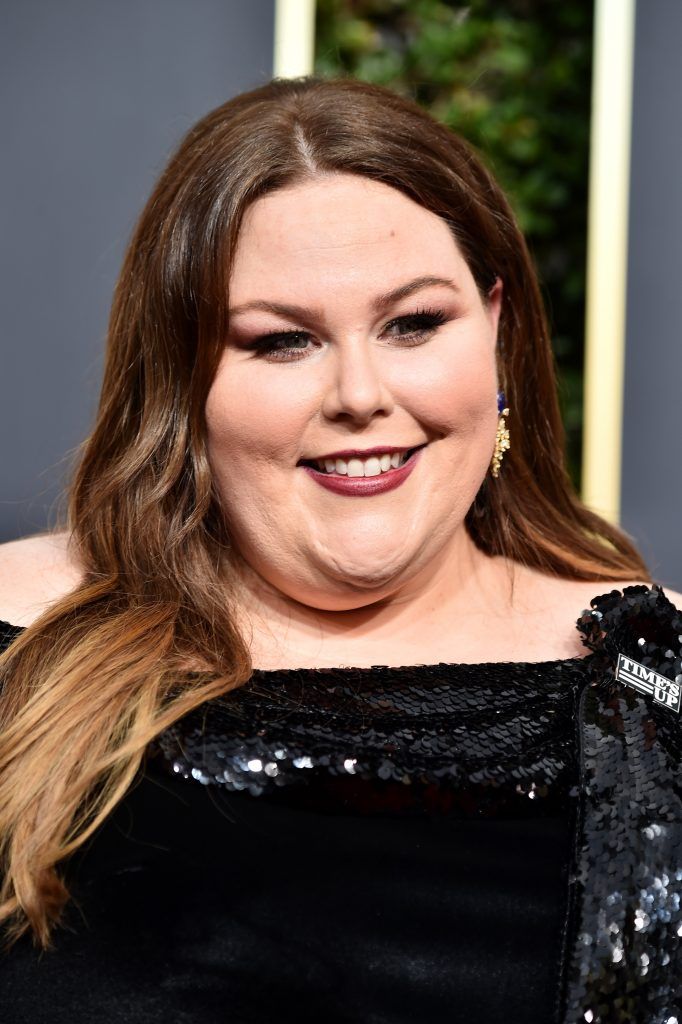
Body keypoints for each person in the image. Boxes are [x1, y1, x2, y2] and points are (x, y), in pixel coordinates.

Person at [0, 75, 681, 1024]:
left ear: (497, 328)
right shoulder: (19, 649)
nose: (359, 394)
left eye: (414, 324)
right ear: (182, 384)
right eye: (283, 341)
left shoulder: (655, 679)